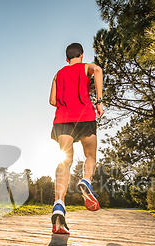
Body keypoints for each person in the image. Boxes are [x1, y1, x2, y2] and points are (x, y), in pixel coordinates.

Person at [49, 42, 104, 234]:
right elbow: (97, 70)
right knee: (90, 155)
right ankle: (86, 180)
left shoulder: (58, 74)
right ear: (81, 55)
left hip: (63, 120)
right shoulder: (85, 67)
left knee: (65, 161)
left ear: (66, 58)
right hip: (84, 116)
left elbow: (52, 101)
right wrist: (98, 100)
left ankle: (59, 203)